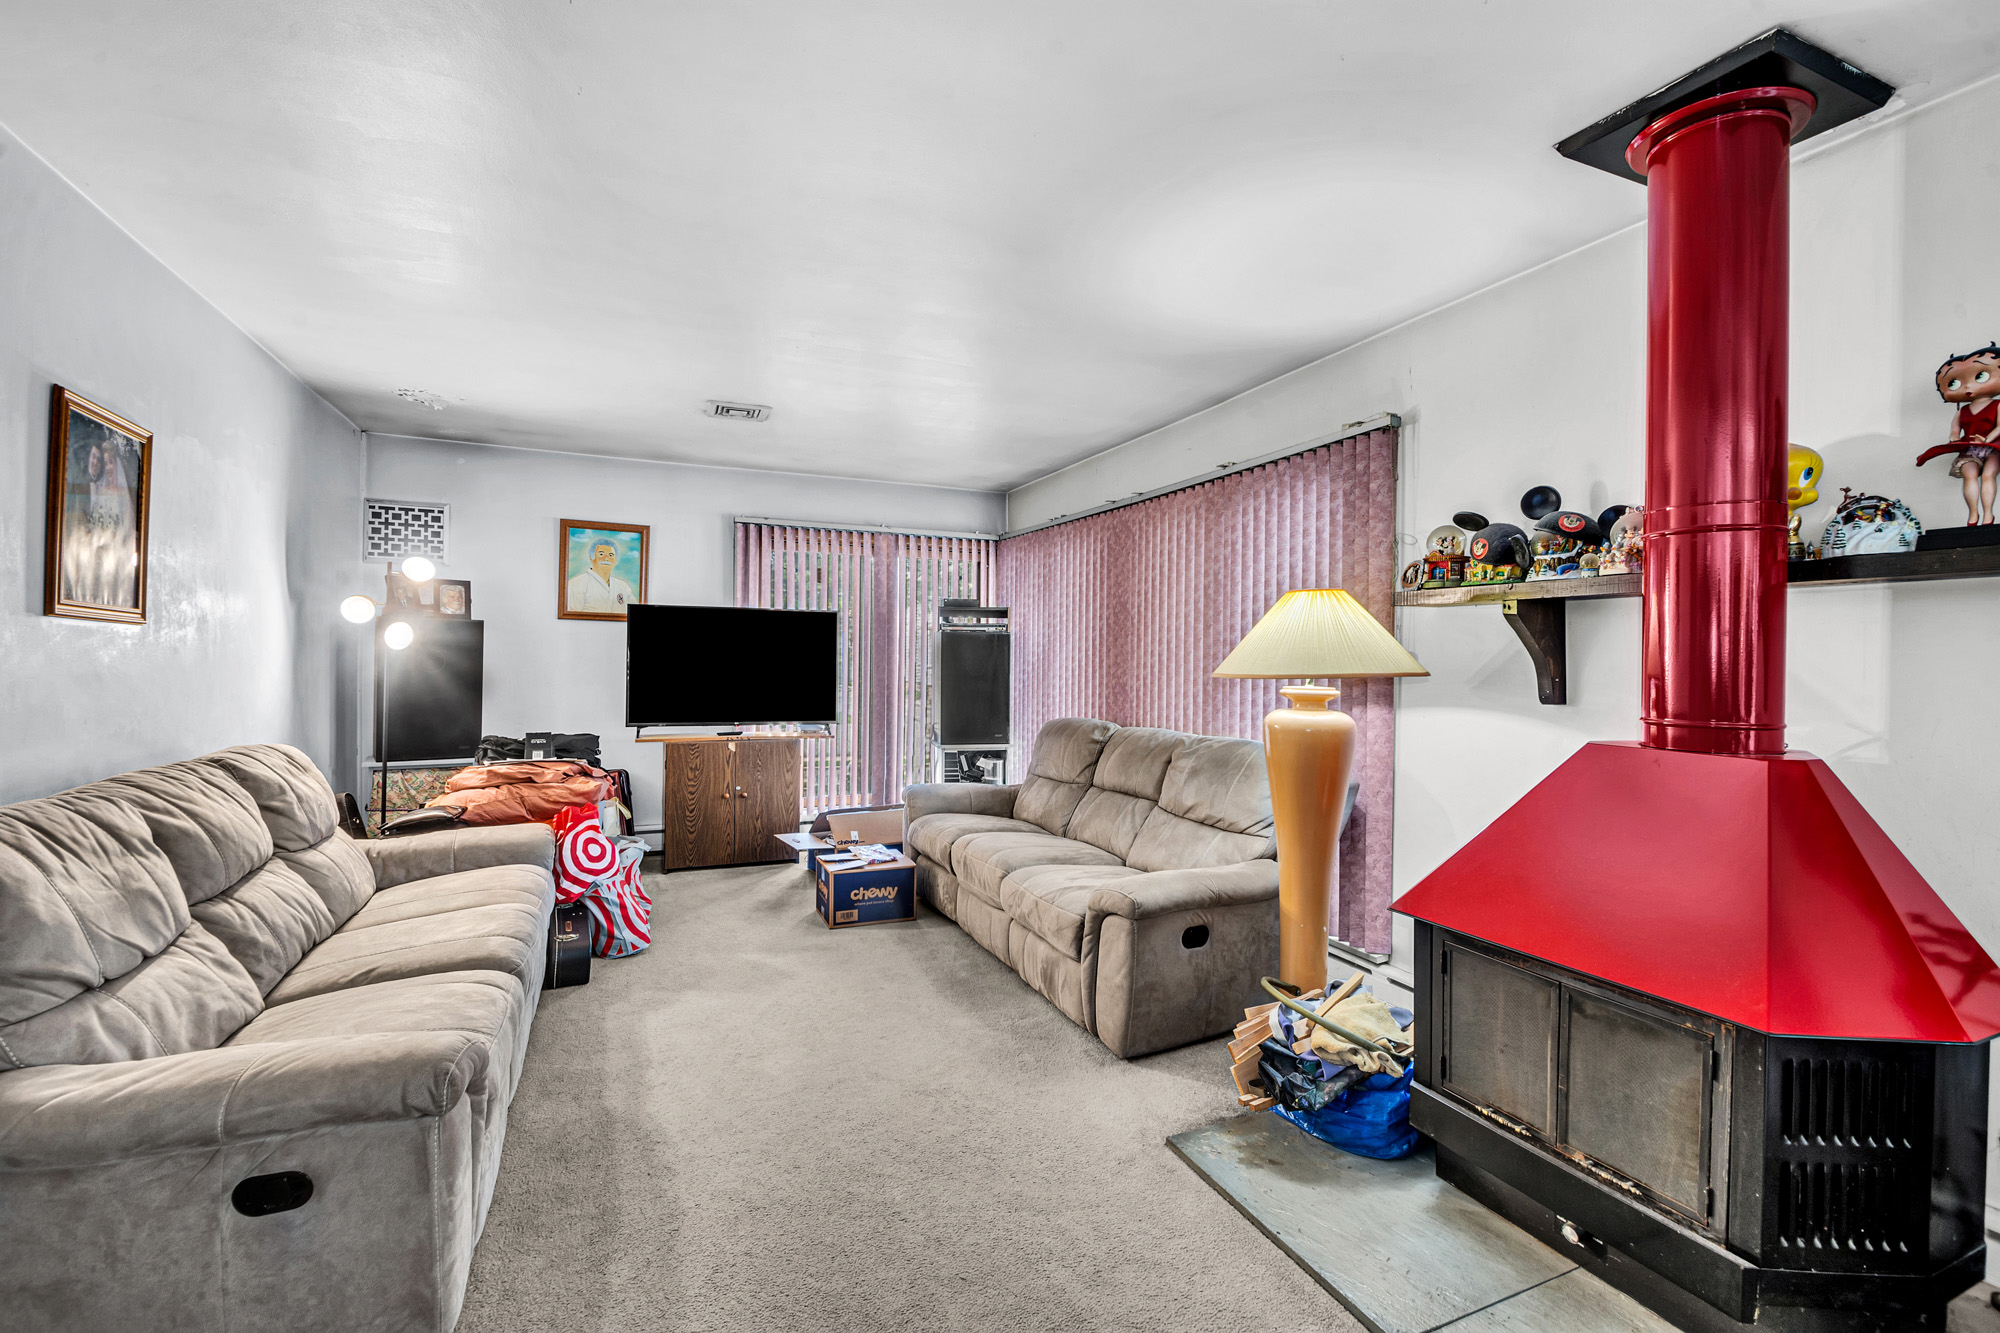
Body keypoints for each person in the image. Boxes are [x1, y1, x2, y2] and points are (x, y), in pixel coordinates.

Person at [1916, 344, 2000, 525]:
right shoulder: (1962, 411)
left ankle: (1988, 515)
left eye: (1981, 376)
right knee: (1969, 475)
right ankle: (1973, 514)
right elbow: (1955, 431)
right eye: (1954, 383)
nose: (1969, 385)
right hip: (1970, 449)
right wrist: (1954, 438)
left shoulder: (1997, 405)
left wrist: (1987, 439)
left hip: (1993, 448)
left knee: (1988, 476)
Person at [566, 539, 636, 613]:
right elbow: (570, 616)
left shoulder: (623, 586)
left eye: (611, 555)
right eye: (601, 554)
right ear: (592, 557)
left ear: (615, 560)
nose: (606, 558)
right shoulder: (576, 584)